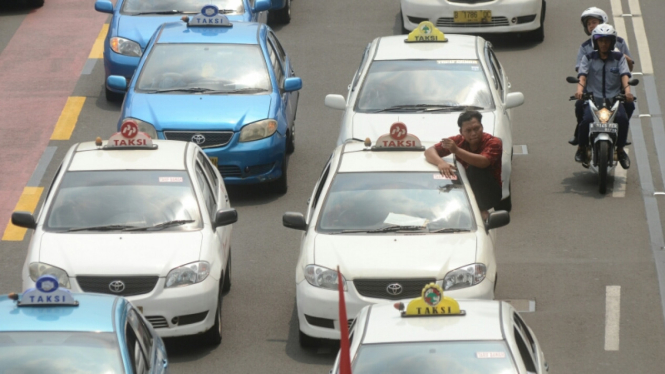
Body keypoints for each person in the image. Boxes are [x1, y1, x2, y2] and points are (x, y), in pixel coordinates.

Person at [570, 7, 635, 145]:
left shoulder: (619, 44)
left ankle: (621, 140)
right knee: (581, 109)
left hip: (615, 89)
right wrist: (580, 90)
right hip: (593, 92)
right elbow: (581, 71)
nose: (592, 26)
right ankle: (581, 137)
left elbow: (627, 69)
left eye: (594, 22)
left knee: (628, 109)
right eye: (589, 24)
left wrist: (622, 58)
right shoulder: (586, 49)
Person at [424, 110, 502, 221]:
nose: (473, 133)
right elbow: (429, 151)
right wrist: (441, 163)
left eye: (476, 129)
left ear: (482, 127)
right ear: (461, 132)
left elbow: (483, 162)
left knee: (475, 168)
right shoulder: (458, 141)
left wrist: (456, 150)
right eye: (468, 130)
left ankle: (481, 209)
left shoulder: (493, 142)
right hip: (464, 189)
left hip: (489, 193)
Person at [575, 24, 634, 168]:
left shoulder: (619, 58)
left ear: (612, 42)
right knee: (586, 120)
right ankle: (581, 148)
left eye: (607, 40)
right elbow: (582, 77)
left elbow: (625, 76)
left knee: (622, 119)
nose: (604, 44)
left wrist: (627, 92)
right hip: (593, 99)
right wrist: (579, 91)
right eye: (601, 40)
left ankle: (620, 150)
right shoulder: (588, 57)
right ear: (596, 42)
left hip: (614, 99)